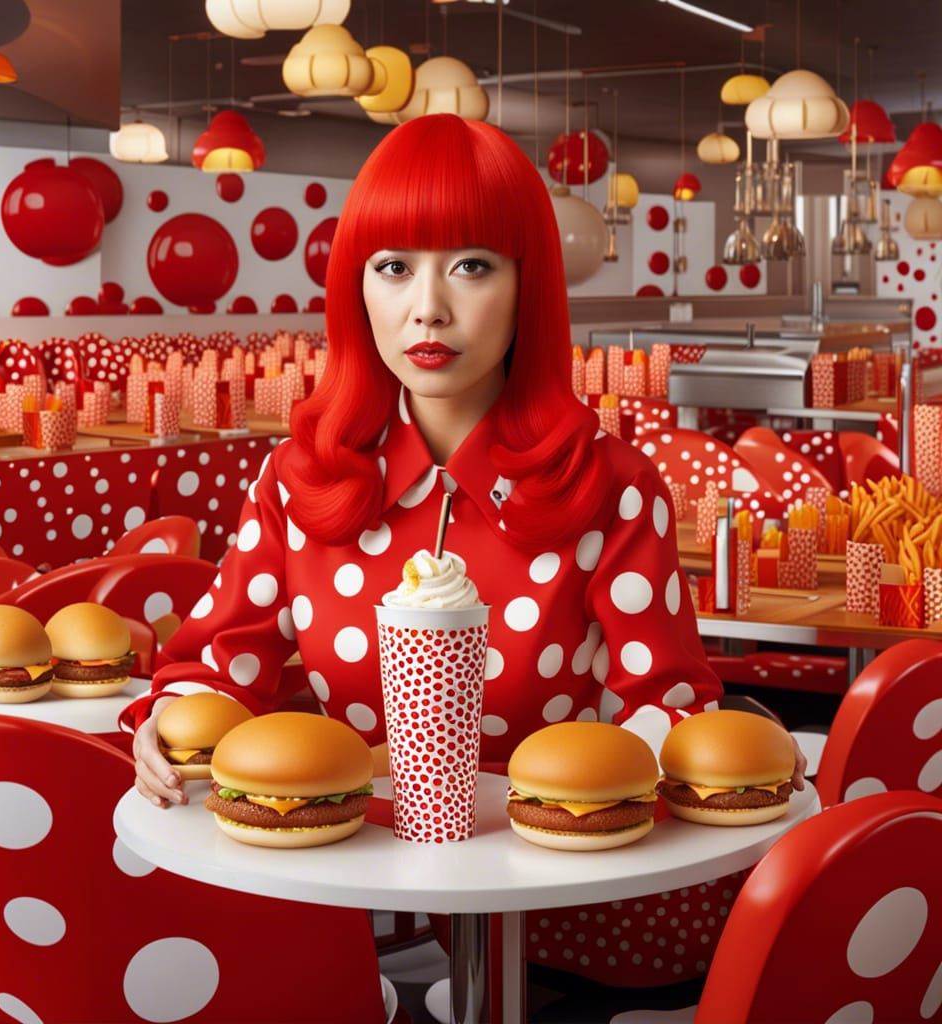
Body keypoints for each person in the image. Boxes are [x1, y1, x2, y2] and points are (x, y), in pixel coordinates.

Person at [123, 112, 804, 989]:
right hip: (345, 899)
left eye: (472, 265)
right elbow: (218, 670)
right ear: (356, 288)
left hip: (578, 915)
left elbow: (668, 708)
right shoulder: (295, 482)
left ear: (529, 286)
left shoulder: (614, 486)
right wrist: (166, 722)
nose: (428, 307)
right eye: (394, 267)